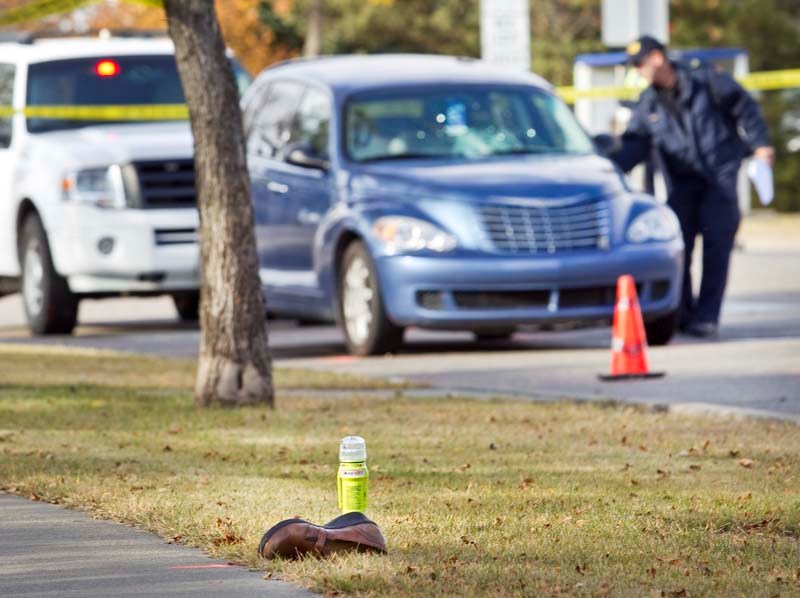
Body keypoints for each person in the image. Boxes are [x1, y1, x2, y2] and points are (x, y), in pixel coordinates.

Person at [609, 35, 774, 338]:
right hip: (682, 184)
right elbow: (633, 148)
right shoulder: (647, 106)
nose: (638, 71)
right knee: (679, 249)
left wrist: (761, 145)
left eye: (640, 64)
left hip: (719, 177)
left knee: (717, 247)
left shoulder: (706, 80)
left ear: (658, 58)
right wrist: (605, 163)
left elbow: (745, 107)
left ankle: (707, 316)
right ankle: (683, 314)